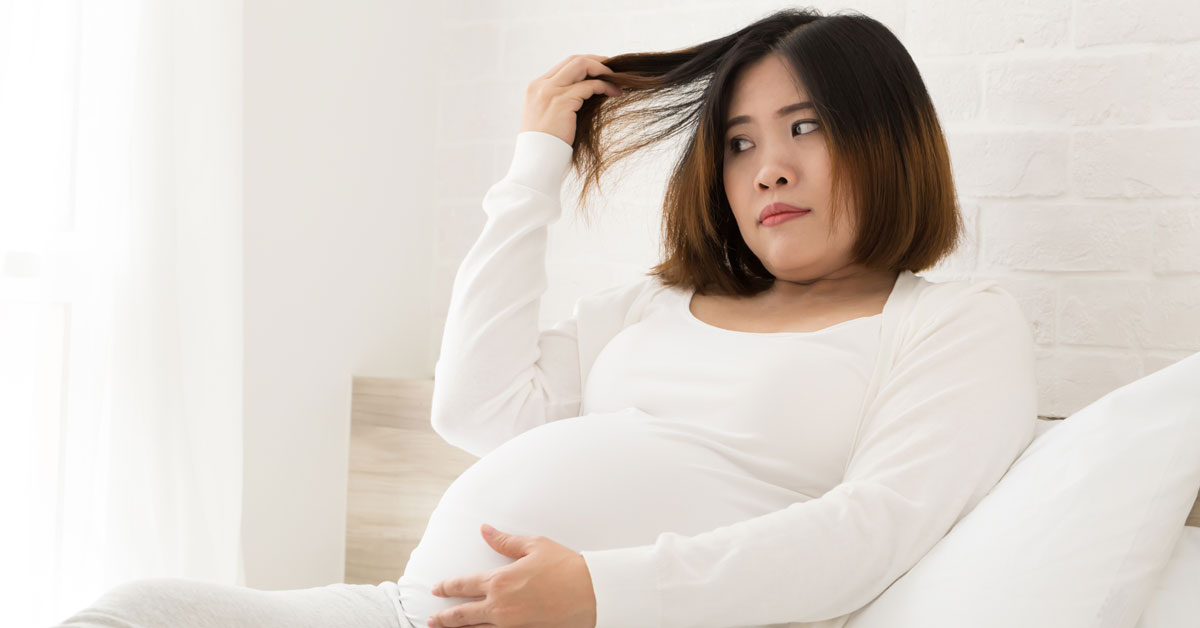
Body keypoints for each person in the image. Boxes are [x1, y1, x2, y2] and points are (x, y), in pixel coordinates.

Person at [55, 7, 1037, 628]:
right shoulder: (652, 307)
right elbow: (474, 410)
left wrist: (606, 596)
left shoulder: (954, 323)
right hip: (413, 611)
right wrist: (534, 166)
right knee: (128, 612)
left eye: (806, 126)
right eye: (738, 142)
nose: (768, 166)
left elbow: (868, 532)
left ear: (890, 137)